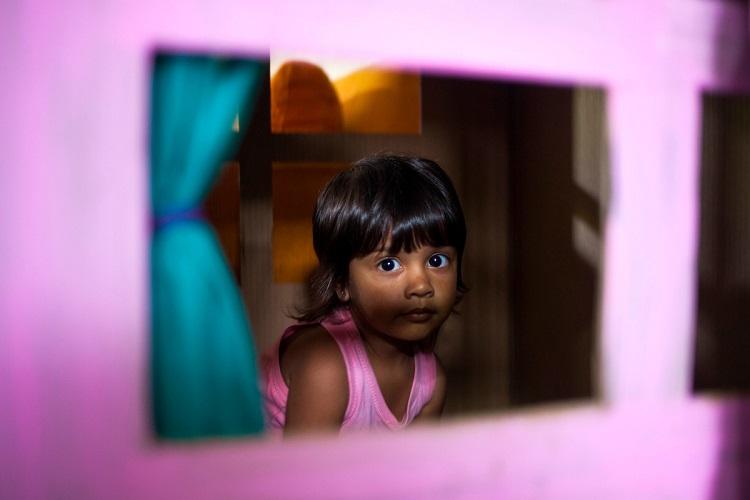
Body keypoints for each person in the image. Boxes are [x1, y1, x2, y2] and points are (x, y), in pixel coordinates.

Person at [263, 154, 467, 435]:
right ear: (342, 282)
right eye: (389, 264)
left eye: (437, 261)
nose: (421, 285)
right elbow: (305, 478)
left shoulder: (432, 383)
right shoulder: (325, 367)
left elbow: (410, 475)